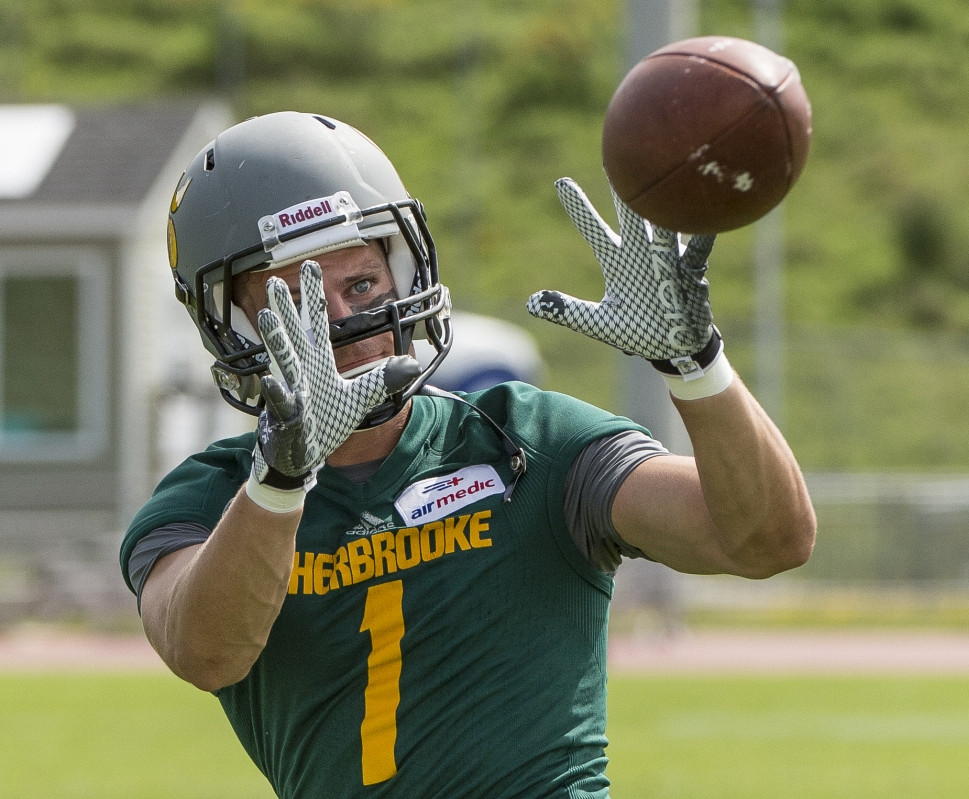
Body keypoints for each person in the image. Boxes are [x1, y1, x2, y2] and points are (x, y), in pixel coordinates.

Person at [120, 111, 815, 799]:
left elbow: (767, 541)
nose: (344, 323)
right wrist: (278, 482)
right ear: (234, 327)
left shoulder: (527, 441)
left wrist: (698, 368)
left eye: (361, 285)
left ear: (403, 275)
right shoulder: (213, 495)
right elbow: (205, 651)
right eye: (296, 301)